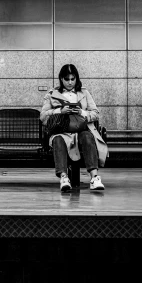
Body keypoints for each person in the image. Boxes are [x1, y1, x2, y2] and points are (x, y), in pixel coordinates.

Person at [40, 63, 108, 192]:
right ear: (61, 79)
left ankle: (94, 178)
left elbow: (95, 113)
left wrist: (81, 112)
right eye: (67, 79)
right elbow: (43, 117)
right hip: (61, 130)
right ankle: (64, 177)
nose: (70, 82)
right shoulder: (51, 94)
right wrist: (59, 111)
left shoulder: (84, 93)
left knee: (88, 137)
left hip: (81, 129)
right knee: (58, 140)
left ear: (77, 78)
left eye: (73, 79)